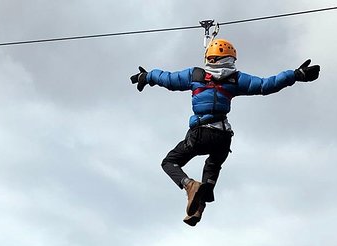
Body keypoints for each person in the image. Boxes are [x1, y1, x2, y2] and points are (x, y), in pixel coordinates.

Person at [131, 38, 320, 226]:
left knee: (169, 161)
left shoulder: (195, 75)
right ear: (231, 59)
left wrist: (146, 77)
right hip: (223, 138)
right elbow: (265, 85)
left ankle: (189, 185)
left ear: (209, 58)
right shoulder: (236, 79)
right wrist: (296, 75)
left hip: (200, 134)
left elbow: (168, 79)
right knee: (212, 166)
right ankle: (198, 207)